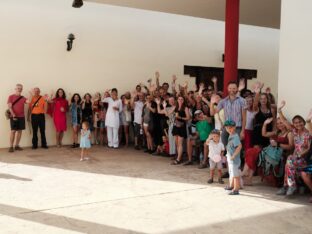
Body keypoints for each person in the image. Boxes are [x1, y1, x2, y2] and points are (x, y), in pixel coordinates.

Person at [277, 102, 311, 196]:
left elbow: (308, 148)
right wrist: (279, 111)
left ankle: (289, 186)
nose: (298, 124)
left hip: (304, 160)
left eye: (300, 122)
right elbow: (284, 121)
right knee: (289, 162)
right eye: (295, 123)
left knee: (289, 160)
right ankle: (288, 186)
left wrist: (300, 155)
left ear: (303, 122)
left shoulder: (307, 133)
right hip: (295, 159)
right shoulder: (295, 132)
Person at [210, 81, 247, 145]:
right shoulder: (223, 101)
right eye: (230, 88)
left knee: (234, 147)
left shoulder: (242, 101)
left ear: (237, 89)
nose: (232, 90)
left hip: (237, 128)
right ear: (227, 89)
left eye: (234, 88)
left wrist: (242, 131)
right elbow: (212, 113)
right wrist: (212, 103)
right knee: (224, 147)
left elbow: (244, 117)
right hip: (226, 128)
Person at [7, 84, 30, 152]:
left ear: (22, 89)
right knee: (13, 131)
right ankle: (11, 146)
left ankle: (17, 145)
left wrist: (31, 94)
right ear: (15, 89)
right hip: (14, 116)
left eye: (20, 88)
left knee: (20, 131)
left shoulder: (23, 98)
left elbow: (29, 102)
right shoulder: (11, 97)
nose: (19, 89)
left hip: (21, 116)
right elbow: (9, 107)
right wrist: (13, 114)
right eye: (18, 88)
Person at [224, 120, 243, 195]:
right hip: (231, 158)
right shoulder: (231, 135)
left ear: (234, 127)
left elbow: (239, 146)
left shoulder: (235, 136)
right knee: (232, 173)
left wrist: (234, 155)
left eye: (231, 128)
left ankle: (236, 189)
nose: (229, 129)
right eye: (227, 128)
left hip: (234, 159)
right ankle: (231, 186)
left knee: (235, 175)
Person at [171, 96, 190, 165]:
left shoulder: (185, 108)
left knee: (180, 143)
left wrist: (180, 117)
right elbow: (168, 113)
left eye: (182, 99)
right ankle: (179, 156)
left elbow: (188, 117)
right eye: (179, 99)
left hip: (182, 126)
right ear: (177, 100)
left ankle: (178, 159)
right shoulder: (175, 107)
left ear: (184, 100)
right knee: (177, 143)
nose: (180, 100)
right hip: (176, 126)